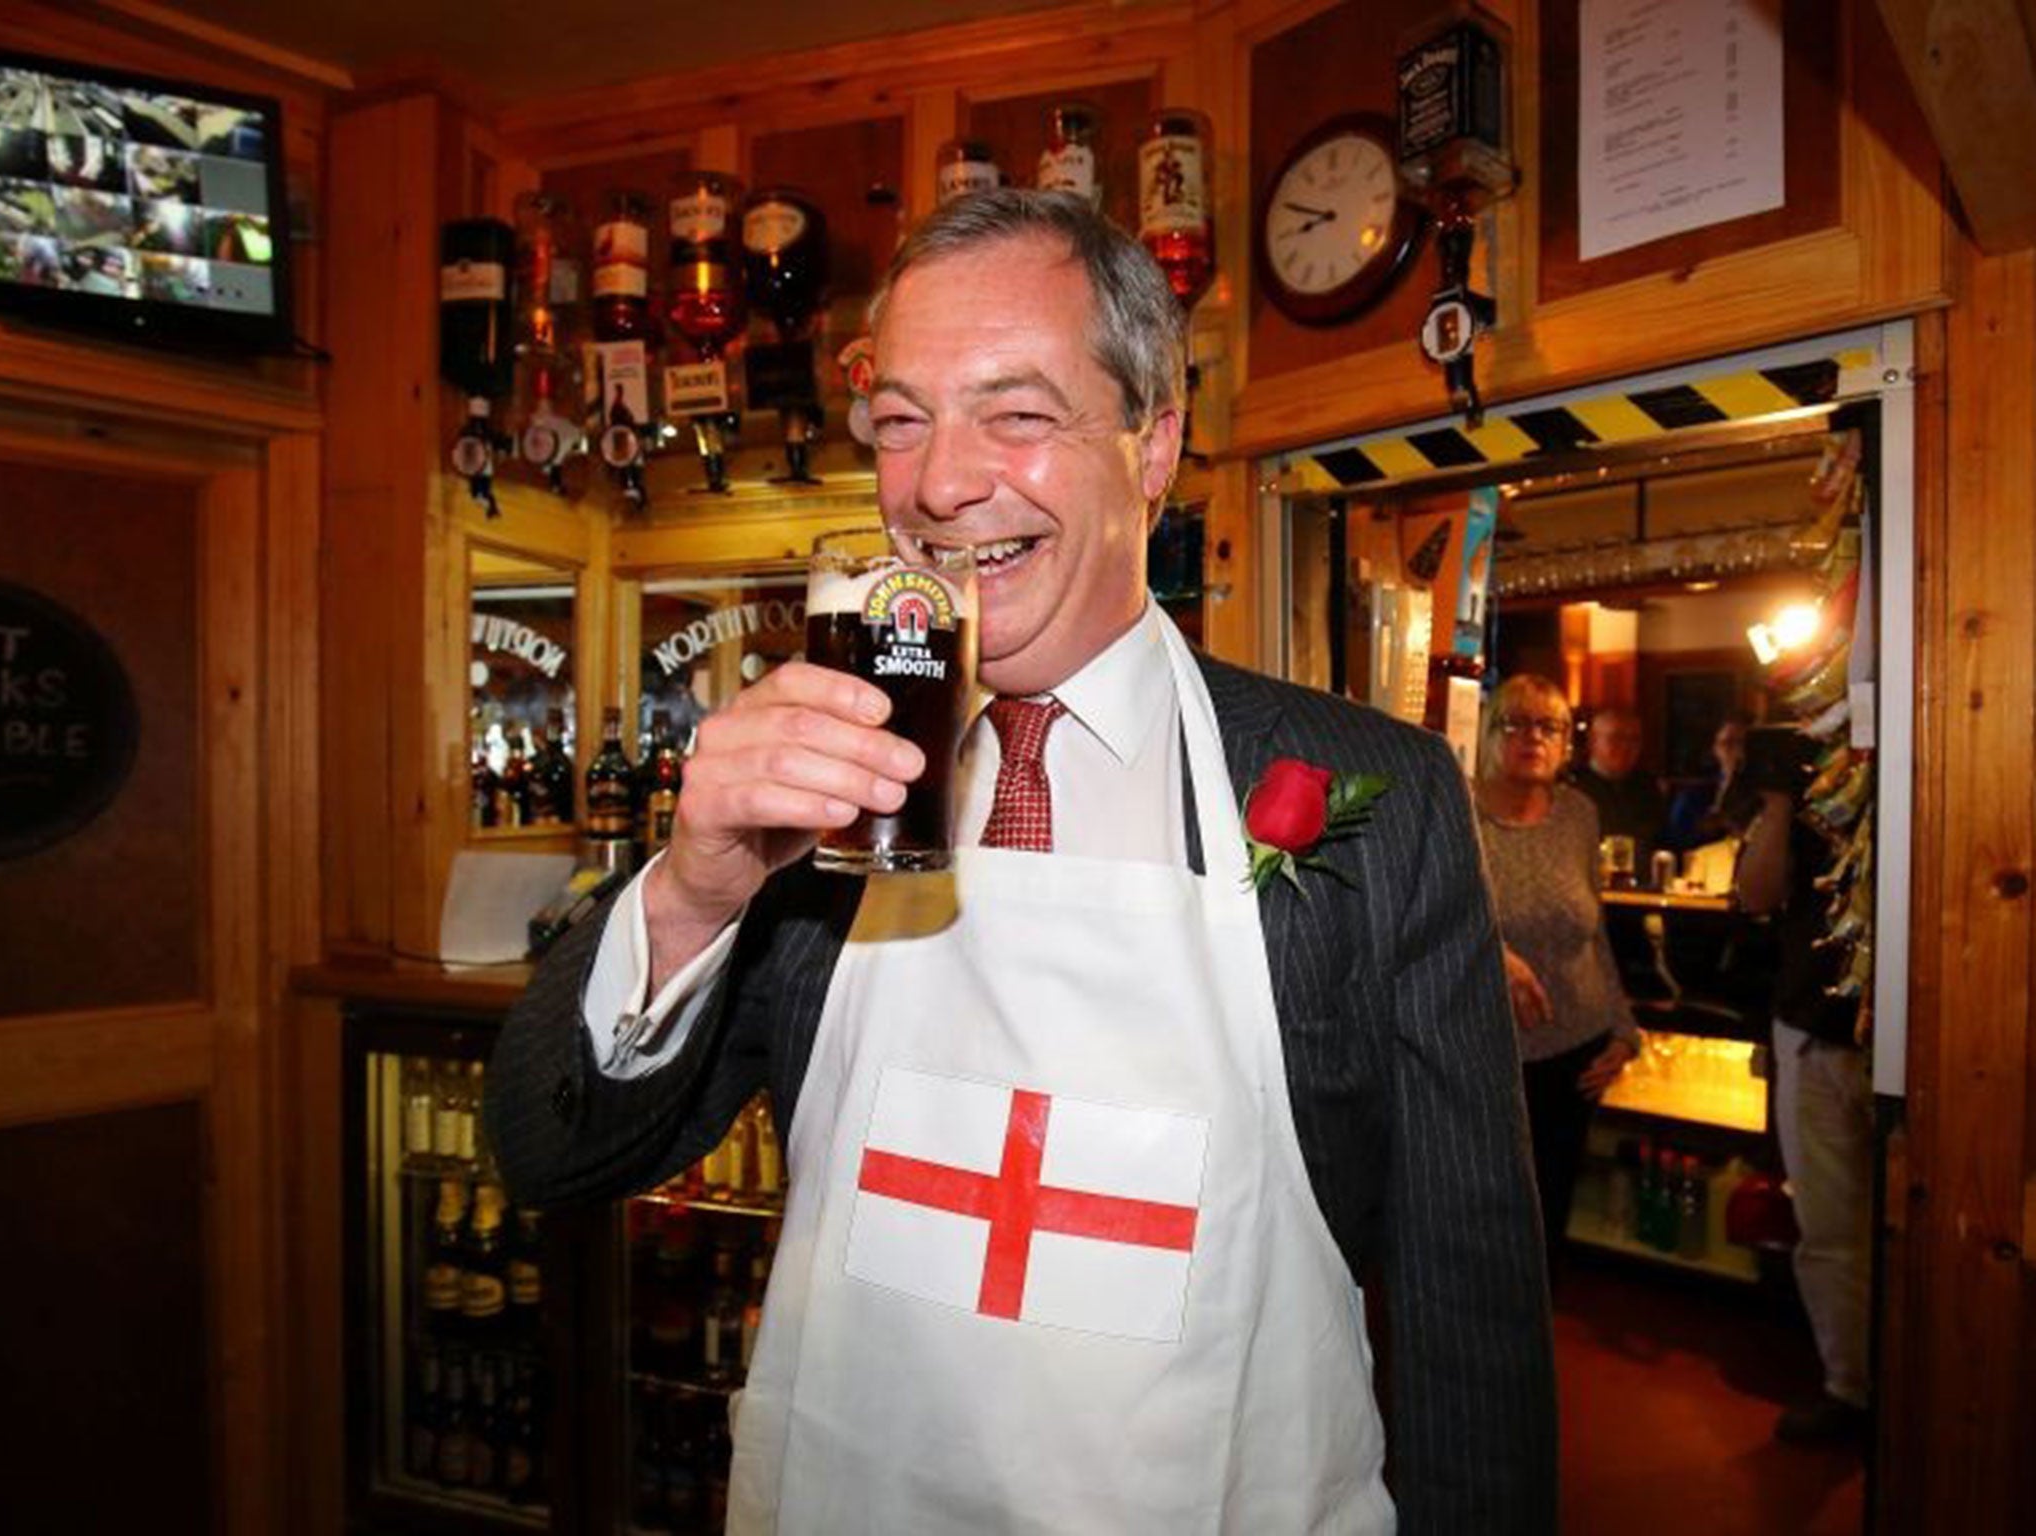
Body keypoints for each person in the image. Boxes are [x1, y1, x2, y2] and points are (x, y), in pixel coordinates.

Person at [488, 189, 1555, 1533]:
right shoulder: (826, 784)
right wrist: (697, 884)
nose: (939, 483)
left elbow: (1470, 1308)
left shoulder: (1374, 795)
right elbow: (546, 1155)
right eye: (902, 420)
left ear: (1153, 445)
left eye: (1019, 413)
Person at [1474, 675, 1641, 1276]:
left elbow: (1593, 930)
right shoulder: (1459, 812)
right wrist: (1492, 952)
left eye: (1549, 726)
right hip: (1490, 1061)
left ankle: (1532, 1355)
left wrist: (1625, 1030)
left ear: (1568, 741)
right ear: (1489, 734)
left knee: (1549, 1231)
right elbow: (1423, 924)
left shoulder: (1579, 814)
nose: (1532, 737)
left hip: (1577, 1054)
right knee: (1486, 1228)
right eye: (1514, 722)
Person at [1734, 734, 1872, 1447]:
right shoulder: (1804, 790)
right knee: (1828, 1226)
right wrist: (1782, 803)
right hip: (1812, 1031)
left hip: (1904, 1042)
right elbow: (1754, 894)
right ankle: (1849, 1387)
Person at [1570, 705, 1667, 867]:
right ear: (1593, 741)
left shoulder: (1647, 789)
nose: (1626, 747)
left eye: (1634, 740)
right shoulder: (1573, 789)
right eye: (1616, 738)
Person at [1666, 711, 1758, 851]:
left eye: (1742, 743)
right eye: (1728, 743)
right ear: (1715, 749)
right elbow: (1674, 843)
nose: (1737, 751)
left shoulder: (1766, 796)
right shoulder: (1693, 796)